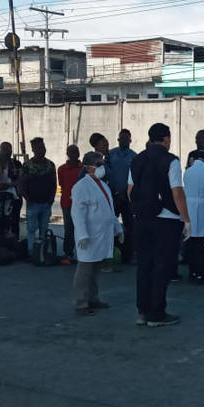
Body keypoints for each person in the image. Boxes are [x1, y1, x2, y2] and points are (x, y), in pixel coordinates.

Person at [129, 123, 190, 327]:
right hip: (166, 219)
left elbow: (130, 189)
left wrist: (141, 206)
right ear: (166, 138)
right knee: (161, 266)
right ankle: (157, 313)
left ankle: (142, 312)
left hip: (142, 218)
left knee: (144, 265)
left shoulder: (137, 159)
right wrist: (186, 219)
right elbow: (177, 192)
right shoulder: (171, 161)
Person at [71, 152, 123, 316]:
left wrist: (117, 227)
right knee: (85, 269)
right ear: (88, 167)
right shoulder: (81, 187)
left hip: (101, 234)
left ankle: (93, 297)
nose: (102, 167)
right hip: (89, 235)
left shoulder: (103, 185)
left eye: (103, 164)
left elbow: (109, 209)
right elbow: (77, 213)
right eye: (98, 164)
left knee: (96, 268)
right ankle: (81, 302)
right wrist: (82, 234)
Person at [183, 147, 204, 284]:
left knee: (191, 240)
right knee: (202, 242)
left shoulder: (188, 172)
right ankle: (200, 272)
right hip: (203, 207)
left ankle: (193, 271)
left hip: (189, 207)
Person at [19, 137, 57, 257]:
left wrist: (51, 200)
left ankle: (43, 252)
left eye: (43, 147)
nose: (42, 150)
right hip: (33, 203)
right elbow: (22, 184)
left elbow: (53, 183)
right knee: (31, 230)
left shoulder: (50, 165)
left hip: (46, 203)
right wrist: (28, 200)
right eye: (39, 147)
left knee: (44, 230)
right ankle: (31, 252)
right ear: (34, 149)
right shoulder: (27, 166)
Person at [108, 129, 137, 264]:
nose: (124, 141)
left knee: (130, 227)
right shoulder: (110, 155)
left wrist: (126, 194)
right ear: (118, 140)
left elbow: (136, 178)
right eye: (121, 139)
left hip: (127, 198)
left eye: (126, 139)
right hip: (113, 197)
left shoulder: (134, 157)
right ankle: (110, 252)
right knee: (110, 225)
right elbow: (107, 174)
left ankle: (128, 255)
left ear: (130, 140)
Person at [0, 141, 22, 235]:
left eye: (8, 149)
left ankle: (14, 242)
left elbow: (21, 179)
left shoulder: (16, 164)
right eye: (3, 149)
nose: (6, 151)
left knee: (14, 221)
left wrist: (10, 185)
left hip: (14, 197)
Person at [56, 145, 82, 263]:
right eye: (71, 152)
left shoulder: (83, 169)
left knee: (81, 228)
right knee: (69, 228)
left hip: (81, 204)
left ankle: (83, 253)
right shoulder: (61, 169)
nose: (74, 154)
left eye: (76, 152)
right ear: (67, 153)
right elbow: (62, 184)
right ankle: (68, 253)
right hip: (67, 202)